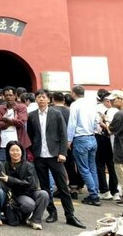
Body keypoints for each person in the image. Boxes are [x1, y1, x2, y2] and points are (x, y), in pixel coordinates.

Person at [27, 90, 85, 229]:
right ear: (36, 100)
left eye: (43, 97)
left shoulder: (56, 113)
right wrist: (34, 150)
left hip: (55, 155)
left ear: (49, 100)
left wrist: (62, 152)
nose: (41, 99)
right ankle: (52, 212)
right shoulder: (32, 116)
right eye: (38, 97)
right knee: (46, 188)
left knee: (63, 186)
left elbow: (63, 133)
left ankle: (70, 215)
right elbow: (30, 134)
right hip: (39, 156)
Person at [0, 140, 49, 230]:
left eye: (18, 150)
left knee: (44, 194)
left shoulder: (28, 165)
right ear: (8, 152)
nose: (15, 153)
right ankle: (25, 215)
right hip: (17, 195)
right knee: (29, 205)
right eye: (12, 150)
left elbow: (28, 183)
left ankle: (35, 220)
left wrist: (10, 179)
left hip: (30, 191)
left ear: (22, 152)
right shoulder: (4, 165)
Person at [67, 85, 101, 206]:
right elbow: (96, 121)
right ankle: (95, 191)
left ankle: (94, 195)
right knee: (92, 167)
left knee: (84, 169)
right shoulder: (91, 104)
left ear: (74, 93)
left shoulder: (75, 105)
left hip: (80, 138)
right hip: (92, 137)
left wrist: (68, 139)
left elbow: (72, 123)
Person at [0, 86, 30, 161]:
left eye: (10, 95)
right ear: (3, 97)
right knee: (3, 168)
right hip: (3, 145)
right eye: (6, 95)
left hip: (19, 144)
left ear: (15, 95)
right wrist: (13, 121)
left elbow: (21, 123)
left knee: (20, 169)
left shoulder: (22, 107)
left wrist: (5, 119)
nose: (8, 97)